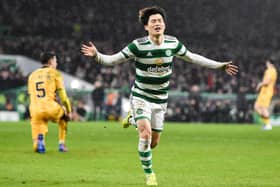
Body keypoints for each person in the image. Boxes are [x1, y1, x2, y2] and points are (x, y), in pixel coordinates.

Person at [81, 6, 238, 186]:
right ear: (146, 27)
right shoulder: (138, 45)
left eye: (160, 21)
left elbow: (194, 58)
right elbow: (112, 60)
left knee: (153, 143)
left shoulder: (173, 44)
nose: (157, 23)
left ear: (164, 25)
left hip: (160, 100)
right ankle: (150, 175)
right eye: (153, 21)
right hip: (141, 96)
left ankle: (133, 118)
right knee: (145, 135)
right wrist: (96, 56)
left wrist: (220, 66)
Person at [28, 51, 72, 153]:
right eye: (56, 61)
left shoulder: (32, 75)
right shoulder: (55, 73)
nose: (57, 63)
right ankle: (61, 144)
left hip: (35, 110)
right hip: (50, 107)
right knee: (64, 117)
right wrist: (68, 110)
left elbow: (32, 94)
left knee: (39, 127)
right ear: (51, 61)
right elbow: (63, 97)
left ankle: (40, 141)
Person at [254, 59, 277, 130]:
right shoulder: (273, 71)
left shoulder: (270, 71)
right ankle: (266, 123)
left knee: (263, 108)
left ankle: (268, 124)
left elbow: (267, 82)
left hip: (266, 92)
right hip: (264, 92)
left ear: (270, 64)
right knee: (256, 107)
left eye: (267, 63)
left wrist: (259, 84)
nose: (266, 65)